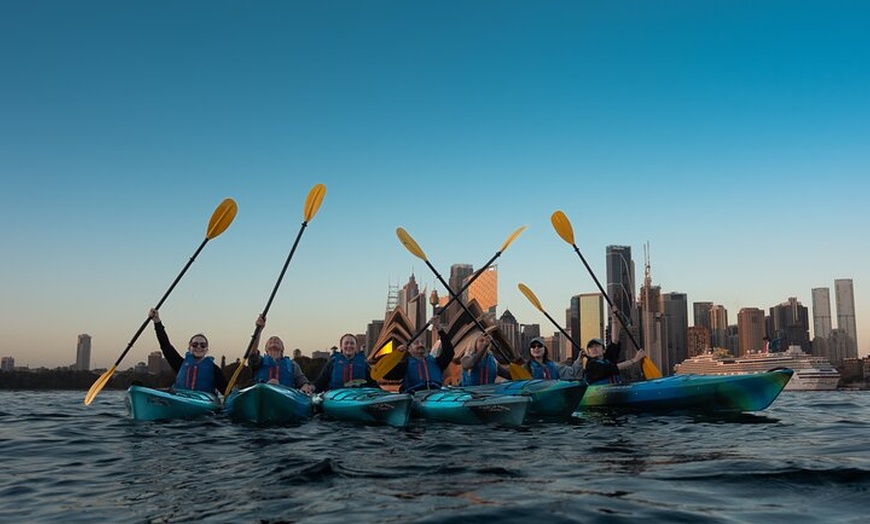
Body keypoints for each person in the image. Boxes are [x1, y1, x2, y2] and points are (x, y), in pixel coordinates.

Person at [148, 308, 228, 396]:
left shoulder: (215, 370)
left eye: (203, 345)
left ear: (206, 349)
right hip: (181, 400)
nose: (198, 347)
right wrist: (157, 322)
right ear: (189, 347)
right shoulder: (179, 363)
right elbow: (165, 346)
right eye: (194, 344)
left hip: (204, 405)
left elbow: (227, 393)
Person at [247, 314, 313, 394]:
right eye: (271, 339)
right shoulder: (259, 361)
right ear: (266, 349)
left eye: (277, 340)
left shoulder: (293, 365)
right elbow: (252, 353)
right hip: (261, 395)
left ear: (282, 348)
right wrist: (259, 329)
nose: (274, 339)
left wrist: (305, 386)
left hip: (286, 398)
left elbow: (302, 381)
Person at [387, 316, 455, 393]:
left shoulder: (437, 363)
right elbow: (387, 374)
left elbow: (449, 351)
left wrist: (439, 329)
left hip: (435, 396)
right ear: (409, 349)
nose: (420, 345)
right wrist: (396, 355)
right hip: (414, 397)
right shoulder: (405, 366)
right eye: (416, 343)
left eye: (422, 342)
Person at [583, 314, 645, 385]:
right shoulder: (591, 365)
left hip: (614, 391)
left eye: (597, 346)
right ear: (589, 353)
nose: (594, 349)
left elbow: (614, 341)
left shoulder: (607, 359)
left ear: (604, 350)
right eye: (591, 347)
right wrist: (634, 360)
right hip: (599, 394)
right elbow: (614, 368)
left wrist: (614, 317)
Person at [313, 332, 378, 392]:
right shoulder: (332, 362)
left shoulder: (364, 363)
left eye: (352, 343)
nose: (349, 346)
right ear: (341, 347)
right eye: (346, 343)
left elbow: (373, 383)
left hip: (359, 397)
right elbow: (320, 382)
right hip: (337, 398)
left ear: (356, 347)